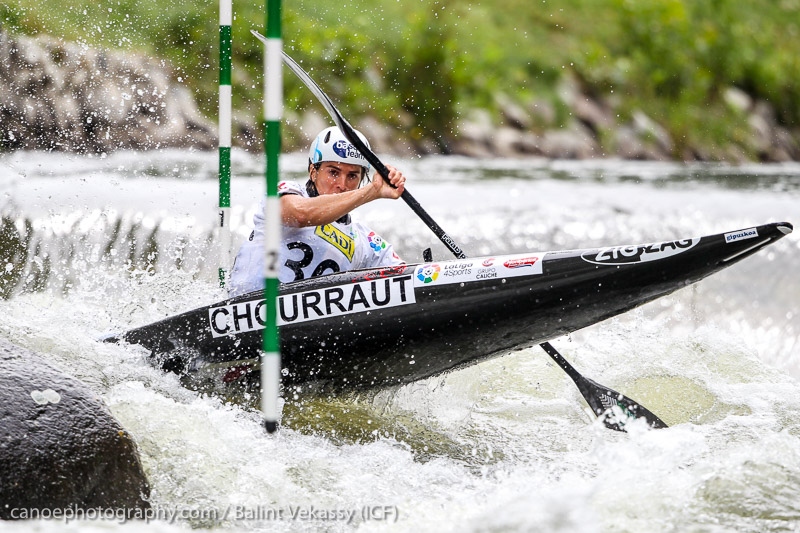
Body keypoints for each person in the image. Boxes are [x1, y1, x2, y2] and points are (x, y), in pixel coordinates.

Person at [228, 126, 407, 296]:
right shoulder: (284, 192)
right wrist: (372, 191)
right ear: (313, 171)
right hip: (249, 310)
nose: (342, 185)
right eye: (333, 172)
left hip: (305, 324)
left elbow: (407, 281)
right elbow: (300, 215)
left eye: (352, 176)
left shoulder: (366, 242)